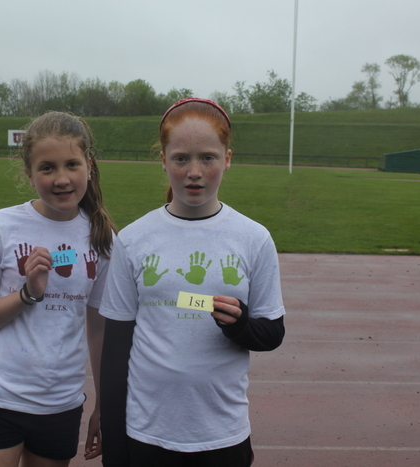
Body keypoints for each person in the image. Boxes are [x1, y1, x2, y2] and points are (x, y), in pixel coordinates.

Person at [99, 98, 286, 467]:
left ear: (227, 159)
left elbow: (272, 333)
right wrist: (115, 445)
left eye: (208, 158)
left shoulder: (254, 238)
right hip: (146, 433)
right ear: (163, 160)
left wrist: (240, 325)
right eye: (181, 158)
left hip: (222, 433)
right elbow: (116, 351)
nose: (194, 172)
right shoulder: (133, 240)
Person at [0, 111, 116, 467]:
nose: (61, 179)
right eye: (47, 168)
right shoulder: (0, 226)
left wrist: (103, 405)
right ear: (29, 174)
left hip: (60, 404)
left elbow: (99, 329)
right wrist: (27, 294)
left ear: (89, 167)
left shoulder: (102, 238)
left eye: (72, 165)